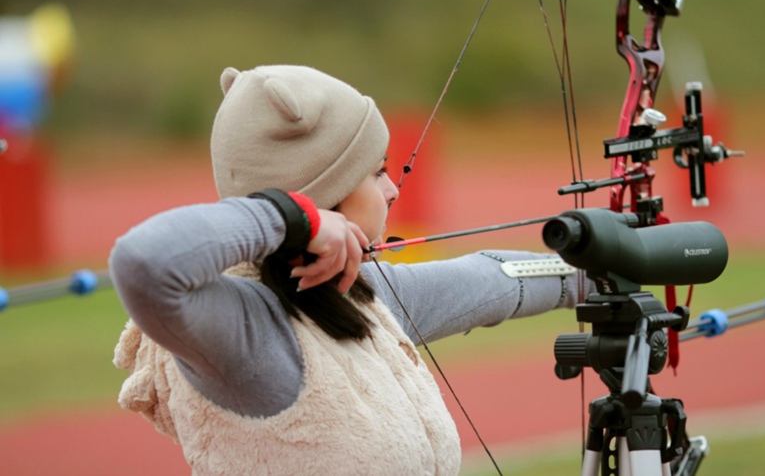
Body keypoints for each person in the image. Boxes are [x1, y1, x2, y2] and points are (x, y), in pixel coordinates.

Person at [110, 65, 586, 476]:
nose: (393, 190)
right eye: (378, 171)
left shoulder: (357, 293)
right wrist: (293, 217)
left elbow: (494, 281)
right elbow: (143, 263)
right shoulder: (245, 332)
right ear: (327, 193)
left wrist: (601, 265)